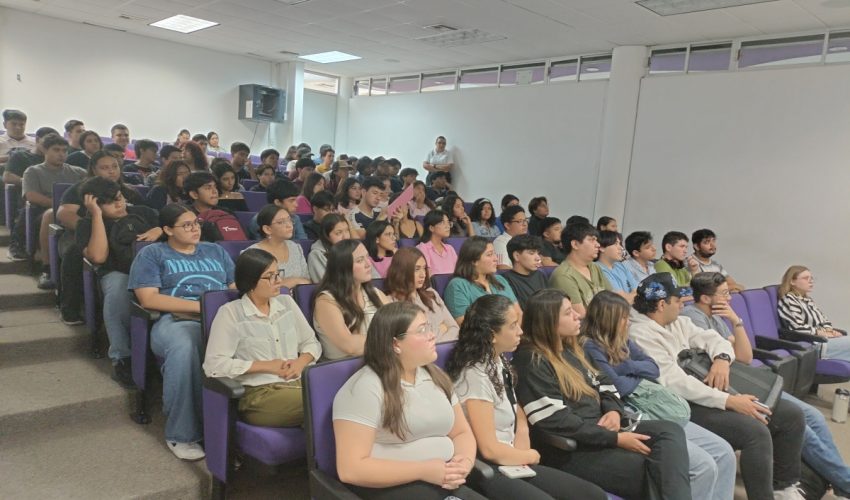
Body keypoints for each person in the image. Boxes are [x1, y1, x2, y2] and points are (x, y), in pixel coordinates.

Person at [629, 273, 807, 500]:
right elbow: (674, 382)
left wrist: (722, 359)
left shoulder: (677, 321)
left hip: (709, 391)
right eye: (677, 301)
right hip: (683, 404)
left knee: (791, 415)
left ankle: (784, 487)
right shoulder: (640, 334)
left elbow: (714, 339)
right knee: (755, 431)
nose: (682, 304)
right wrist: (729, 401)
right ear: (662, 304)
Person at [512, 288, 692, 499]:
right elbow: (555, 420)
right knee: (660, 470)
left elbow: (605, 383)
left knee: (669, 432)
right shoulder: (531, 360)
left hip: (602, 429)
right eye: (568, 313)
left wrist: (614, 411)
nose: (578, 315)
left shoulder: (571, 348)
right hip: (574, 448)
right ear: (549, 321)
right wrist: (614, 438)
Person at [685, 271, 850, 499]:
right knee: (801, 425)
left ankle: (842, 481)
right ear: (705, 298)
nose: (730, 298)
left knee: (815, 416)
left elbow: (743, 356)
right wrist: (726, 351)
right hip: (730, 385)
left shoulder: (717, 317)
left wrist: (736, 321)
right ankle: (844, 482)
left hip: (742, 374)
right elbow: (723, 362)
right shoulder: (692, 317)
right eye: (724, 294)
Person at [446, 295, 608, 500]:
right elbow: (488, 449)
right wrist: (529, 455)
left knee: (592, 495)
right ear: (492, 334)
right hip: (489, 466)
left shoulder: (498, 359)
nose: (521, 331)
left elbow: (516, 408)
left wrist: (522, 436)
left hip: (513, 457)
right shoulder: (474, 375)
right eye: (513, 326)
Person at [583, 291, 736, 500]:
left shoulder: (623, 340)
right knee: (704, 466)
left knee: (724, 452)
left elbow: (653, 368)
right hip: (633, 412)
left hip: (655, 405)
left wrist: (625, 366)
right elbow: (617, 386)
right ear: (608, 320)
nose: (628, 322)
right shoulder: (590, 346)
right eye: (623, 318)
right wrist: (635, 374)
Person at [332, 302, 483, 500]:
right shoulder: (364, 387)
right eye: (422, 330)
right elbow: (351, 469)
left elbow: (461, 432)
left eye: (429, 327)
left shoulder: (435, 375)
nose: (432, 335)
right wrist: (423, 470)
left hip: (441, 477)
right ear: (396, 344)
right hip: (393, 486)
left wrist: (463, 462)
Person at [129, 204, 236, 460]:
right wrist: (201, 307)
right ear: (167, 229)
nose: (194, 229)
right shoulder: (153, 254)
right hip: (174, 321)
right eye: (186, 225)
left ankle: (231, 430)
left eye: (196, 223)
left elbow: (234, 287)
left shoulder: (215, 250)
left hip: (220, 318)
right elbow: (148, 299)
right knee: (187, 346)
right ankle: (181, 434)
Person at [204, 248, 322, 427]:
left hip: (297, 381)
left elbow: (311, 342)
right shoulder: (231, 313)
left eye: (278, 274)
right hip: (259, 394)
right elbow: (214, 365)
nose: (279, 281)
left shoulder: (286, 303)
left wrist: (301, 361)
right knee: (323, 401)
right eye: (271, 276)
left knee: (340, 395)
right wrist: (266, 366)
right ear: (251, 280)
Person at [76, 177, 161, 387]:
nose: (119, 204)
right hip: (117, 272)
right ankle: (122, 357)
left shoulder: (143, 213)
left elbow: (176, 228)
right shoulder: (87, 224)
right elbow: (98, 256)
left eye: (120, 198)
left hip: (154, 271)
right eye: (110, 201)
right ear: (94, 203)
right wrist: (96, 215)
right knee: (119, 289)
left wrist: (159, 230)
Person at [55, 151, 145, 322]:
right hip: (84, 235)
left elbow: (141, 218)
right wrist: (94, 229)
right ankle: (69, 307)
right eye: (105, 168)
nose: (111, 171)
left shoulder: (129, 191)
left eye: (115, 167)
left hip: (123, 237)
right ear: (94, 170)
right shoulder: (81, 190)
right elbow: (65, 213)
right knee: (75, 253)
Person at [21, 134, 87, 288]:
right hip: (43, 213)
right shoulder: (33, 171)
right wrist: (58, 205)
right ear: (45, 150)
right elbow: (30, 195)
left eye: (64, 150)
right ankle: (47, 268)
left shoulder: (78, 172)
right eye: (56, 150)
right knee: (51, 213)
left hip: (73, 212)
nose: (61, 154)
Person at [313, 239, 389, 360]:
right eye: (360, 260)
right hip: (346, 370)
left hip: (379, 361)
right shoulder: (326, 301)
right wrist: (388, 339)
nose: (368, 264)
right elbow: (350, 346)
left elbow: (398, 326)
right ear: (343, 267)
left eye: (367, 257)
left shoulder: (375, 293)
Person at [5, 127, 60, 261]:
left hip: (53, 195)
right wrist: (29, 182)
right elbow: (7, 177)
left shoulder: (59, 161)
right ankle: (17, 245)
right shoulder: (21, 155)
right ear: (36, 140)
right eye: (47, 143)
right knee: (31, 206)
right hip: (28, 195)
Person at [385, 247, 459, 342]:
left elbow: (455, 328)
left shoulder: (432, 294)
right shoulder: (390, 303)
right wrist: (441, 329)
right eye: (417, 269)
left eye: (424, 268)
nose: (423, 274)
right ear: (402, 271)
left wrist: (435, 343)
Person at [778, 265, 850, 361]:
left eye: (811, 278)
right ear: (792, 281)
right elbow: (797, 328)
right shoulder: (789, 300)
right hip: (814, 343)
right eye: (805, 278)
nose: (810, 281)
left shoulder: (807, 299)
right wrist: (821, 333)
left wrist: (830, 331)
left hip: (824, 339)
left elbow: (824, 320)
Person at [444, 237, 520, 325]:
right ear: (474, 260)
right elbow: (465, 324)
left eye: (494, 254)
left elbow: (518, 313)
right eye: (489, 255)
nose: (496, 258)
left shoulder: (500, 279)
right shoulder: (458, 285)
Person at [548, 221, 611, 318]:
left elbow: (612, 300)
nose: (598, 244)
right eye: (591, 240)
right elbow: (581, 316)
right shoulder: (563, 275)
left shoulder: (595, 267)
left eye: (596, 240)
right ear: (575, 244)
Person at [248, 205, 311, 289]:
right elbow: (254, 288)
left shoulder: (295, 247)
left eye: (289, 220)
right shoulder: (253, 254)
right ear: (267, 229)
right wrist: (293, 281)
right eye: (281, 222)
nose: (289, 225)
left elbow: (307, 282)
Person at [502, 235, 547, 310]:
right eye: (531, 253)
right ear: (516, 256)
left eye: (538, 253)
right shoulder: (505, 280)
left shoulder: (540, 275)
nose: (538, 258)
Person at [594, 230, 636, 304]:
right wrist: (633, 296)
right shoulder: (597, 268)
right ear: (602, 248)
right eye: (615, 244)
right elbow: (619, 300)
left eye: (620, 244)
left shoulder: (621, 265)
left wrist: (631, 296)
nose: (620, 248)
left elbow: (637, 290)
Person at [307, 213, 352, 283]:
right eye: (338, 233)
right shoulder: (316, 255)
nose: (345, 237)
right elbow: (327, 284)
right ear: (326, 236)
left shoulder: (355, 249)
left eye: (347, 231)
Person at [416, 210, 458, 276]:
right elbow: (427, 276)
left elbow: (458, 272)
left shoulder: (450, 248)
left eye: (448, 222)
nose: (447, 226)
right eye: (442, 223)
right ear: (431, 228)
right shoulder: (423, 248)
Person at [493, 205, 528, 270]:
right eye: (520, 221)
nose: (525, 224)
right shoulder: (500, 242)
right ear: (507, 225)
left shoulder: (527, 241)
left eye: (525, 220)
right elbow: (503, 268)